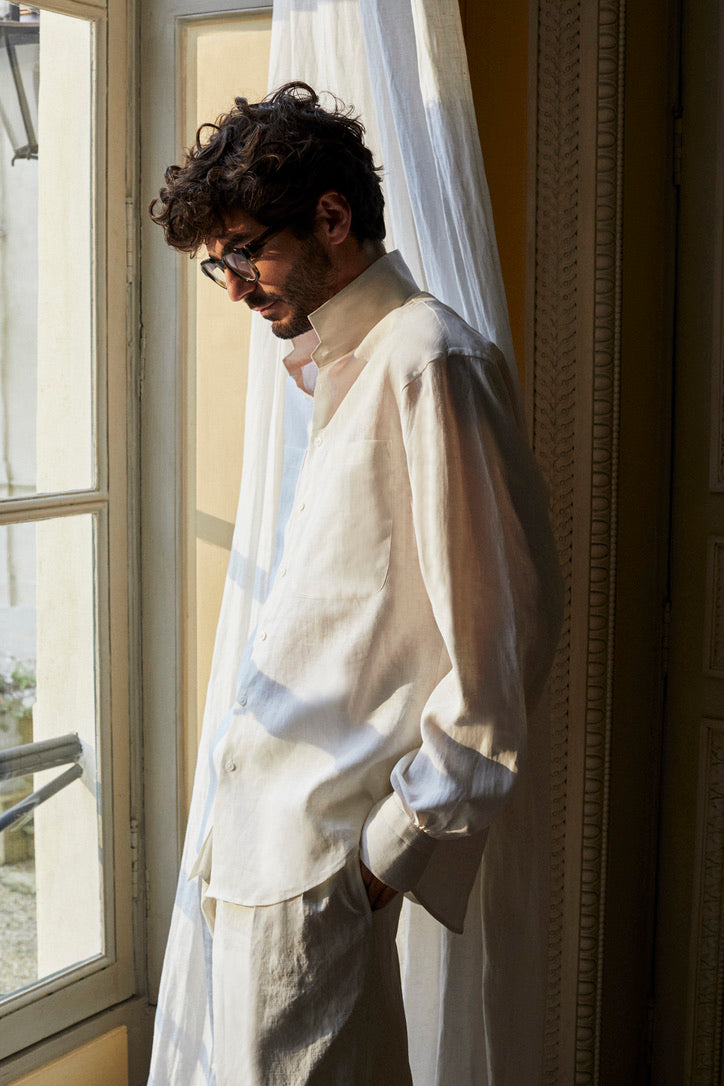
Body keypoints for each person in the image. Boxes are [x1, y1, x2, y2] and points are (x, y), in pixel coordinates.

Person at [149, 81, 562, 1085]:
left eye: (246, 252)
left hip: (317, 867)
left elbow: (503, 636)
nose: (239, 289)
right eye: (220, 269)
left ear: (331, 217)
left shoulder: (428, 361)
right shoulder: (342, 365)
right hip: (251, 854)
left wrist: (389, 853)